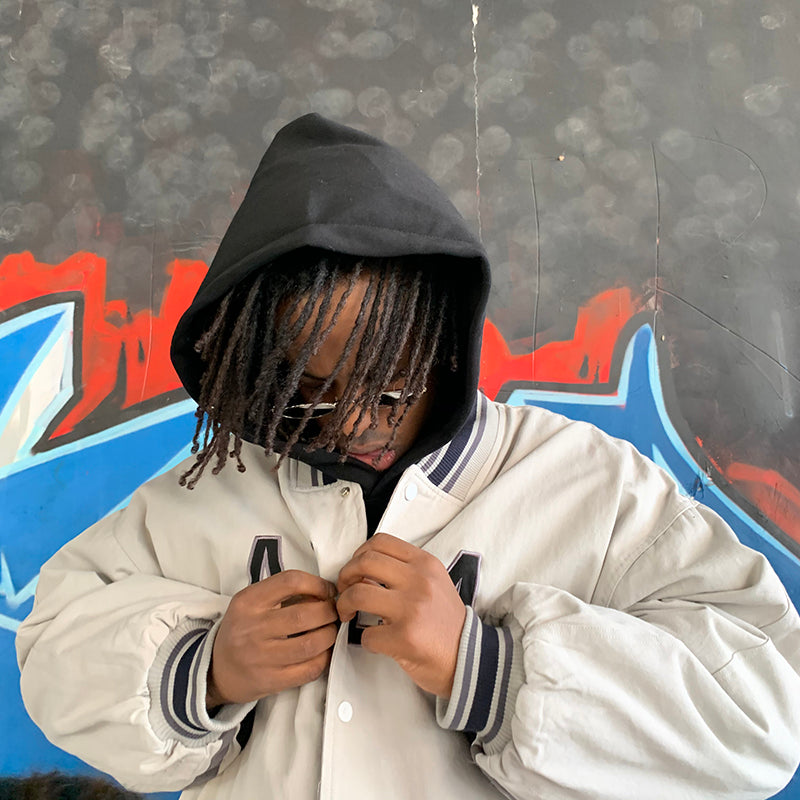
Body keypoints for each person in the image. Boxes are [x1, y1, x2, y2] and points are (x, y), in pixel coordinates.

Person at [16, 114, 800, 799]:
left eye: (389, 384)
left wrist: (486, 669)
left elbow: (763, 717)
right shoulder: (207, 495)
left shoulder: (594, 488)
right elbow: (54, 651)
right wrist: (204, 670)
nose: (357, 422)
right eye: (309, 393)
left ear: (449, 344)